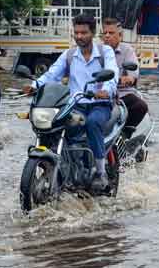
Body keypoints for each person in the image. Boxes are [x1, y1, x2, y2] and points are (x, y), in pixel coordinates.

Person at [23, 14, 119, 189]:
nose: (80, 36)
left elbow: (112, 73)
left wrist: (105, 90)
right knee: (55, 125)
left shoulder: (106, 52)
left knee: (92, 123)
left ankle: (100, 172)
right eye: (77, 32)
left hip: (99, 104)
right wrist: (34, 85)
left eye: (84, 32)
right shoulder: (69, 55)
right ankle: (63, 164)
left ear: (93, 33)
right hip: (76, 104)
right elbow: (53, 74)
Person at [101, 18, 148, 130]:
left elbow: (132, 76)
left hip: (122, 94)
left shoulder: (127, 50)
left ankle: (126, 132)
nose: (107, 36)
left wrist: (126, 79)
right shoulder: (97, 51)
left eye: (111, 33)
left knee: (140, 106)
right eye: (105, 33)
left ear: (120, 35)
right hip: (100, 94)